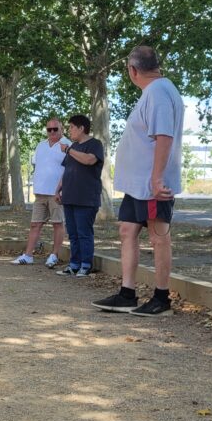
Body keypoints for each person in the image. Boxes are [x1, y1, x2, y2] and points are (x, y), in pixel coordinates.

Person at [93, 45, 184, 316]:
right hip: (137, 185)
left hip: (151, 184)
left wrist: (157, 178)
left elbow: (164, 136)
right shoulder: (153, 92)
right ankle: (127, 293)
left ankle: (162, 298)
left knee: (159, 238)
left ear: (132, 71)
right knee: (126, 231)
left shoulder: (158, 92)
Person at [12, 118, 69, 267]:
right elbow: (39, 166)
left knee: (58, 224)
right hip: (40, 192)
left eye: (55, 129)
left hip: (57, 193)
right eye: (49, 129)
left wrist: (62, 190)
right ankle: (28, 255)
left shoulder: (68, 145)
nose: (52, 132)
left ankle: (54, 255)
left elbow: (70, 171)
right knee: (34, 224)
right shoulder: (41, 145)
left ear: (61, 129)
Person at [55, 115, 104, 276]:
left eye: (71, 127)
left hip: (86, 198)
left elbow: (89, 160)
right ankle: (74, 264)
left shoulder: (94, 144)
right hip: (69, 197)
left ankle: (86, 265)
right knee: (73, 234)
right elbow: (66, 171)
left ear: (82, 128)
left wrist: (69, 150)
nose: (69, 131)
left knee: (84, 233)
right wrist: (58, 189)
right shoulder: (74, 147)